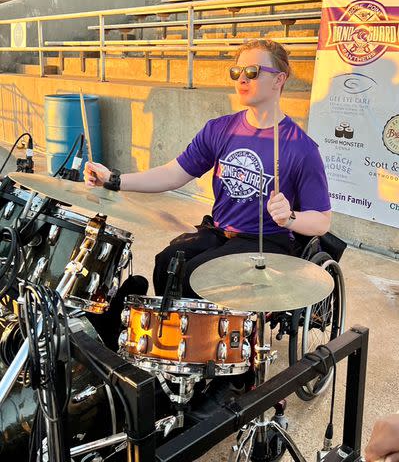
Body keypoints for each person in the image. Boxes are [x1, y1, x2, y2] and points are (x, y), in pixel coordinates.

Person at [84, 38, 331, 299]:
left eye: (252, 72)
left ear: (279, 80)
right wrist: (113, 179)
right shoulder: (220, 129)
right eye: (237, 72)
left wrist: (290, 217)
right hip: (219, 231)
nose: (242, 80)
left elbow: (322, 221)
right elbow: (173, 173)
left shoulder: (301, 148)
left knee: (196, 276)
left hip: (265, 242)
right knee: (167, 263)